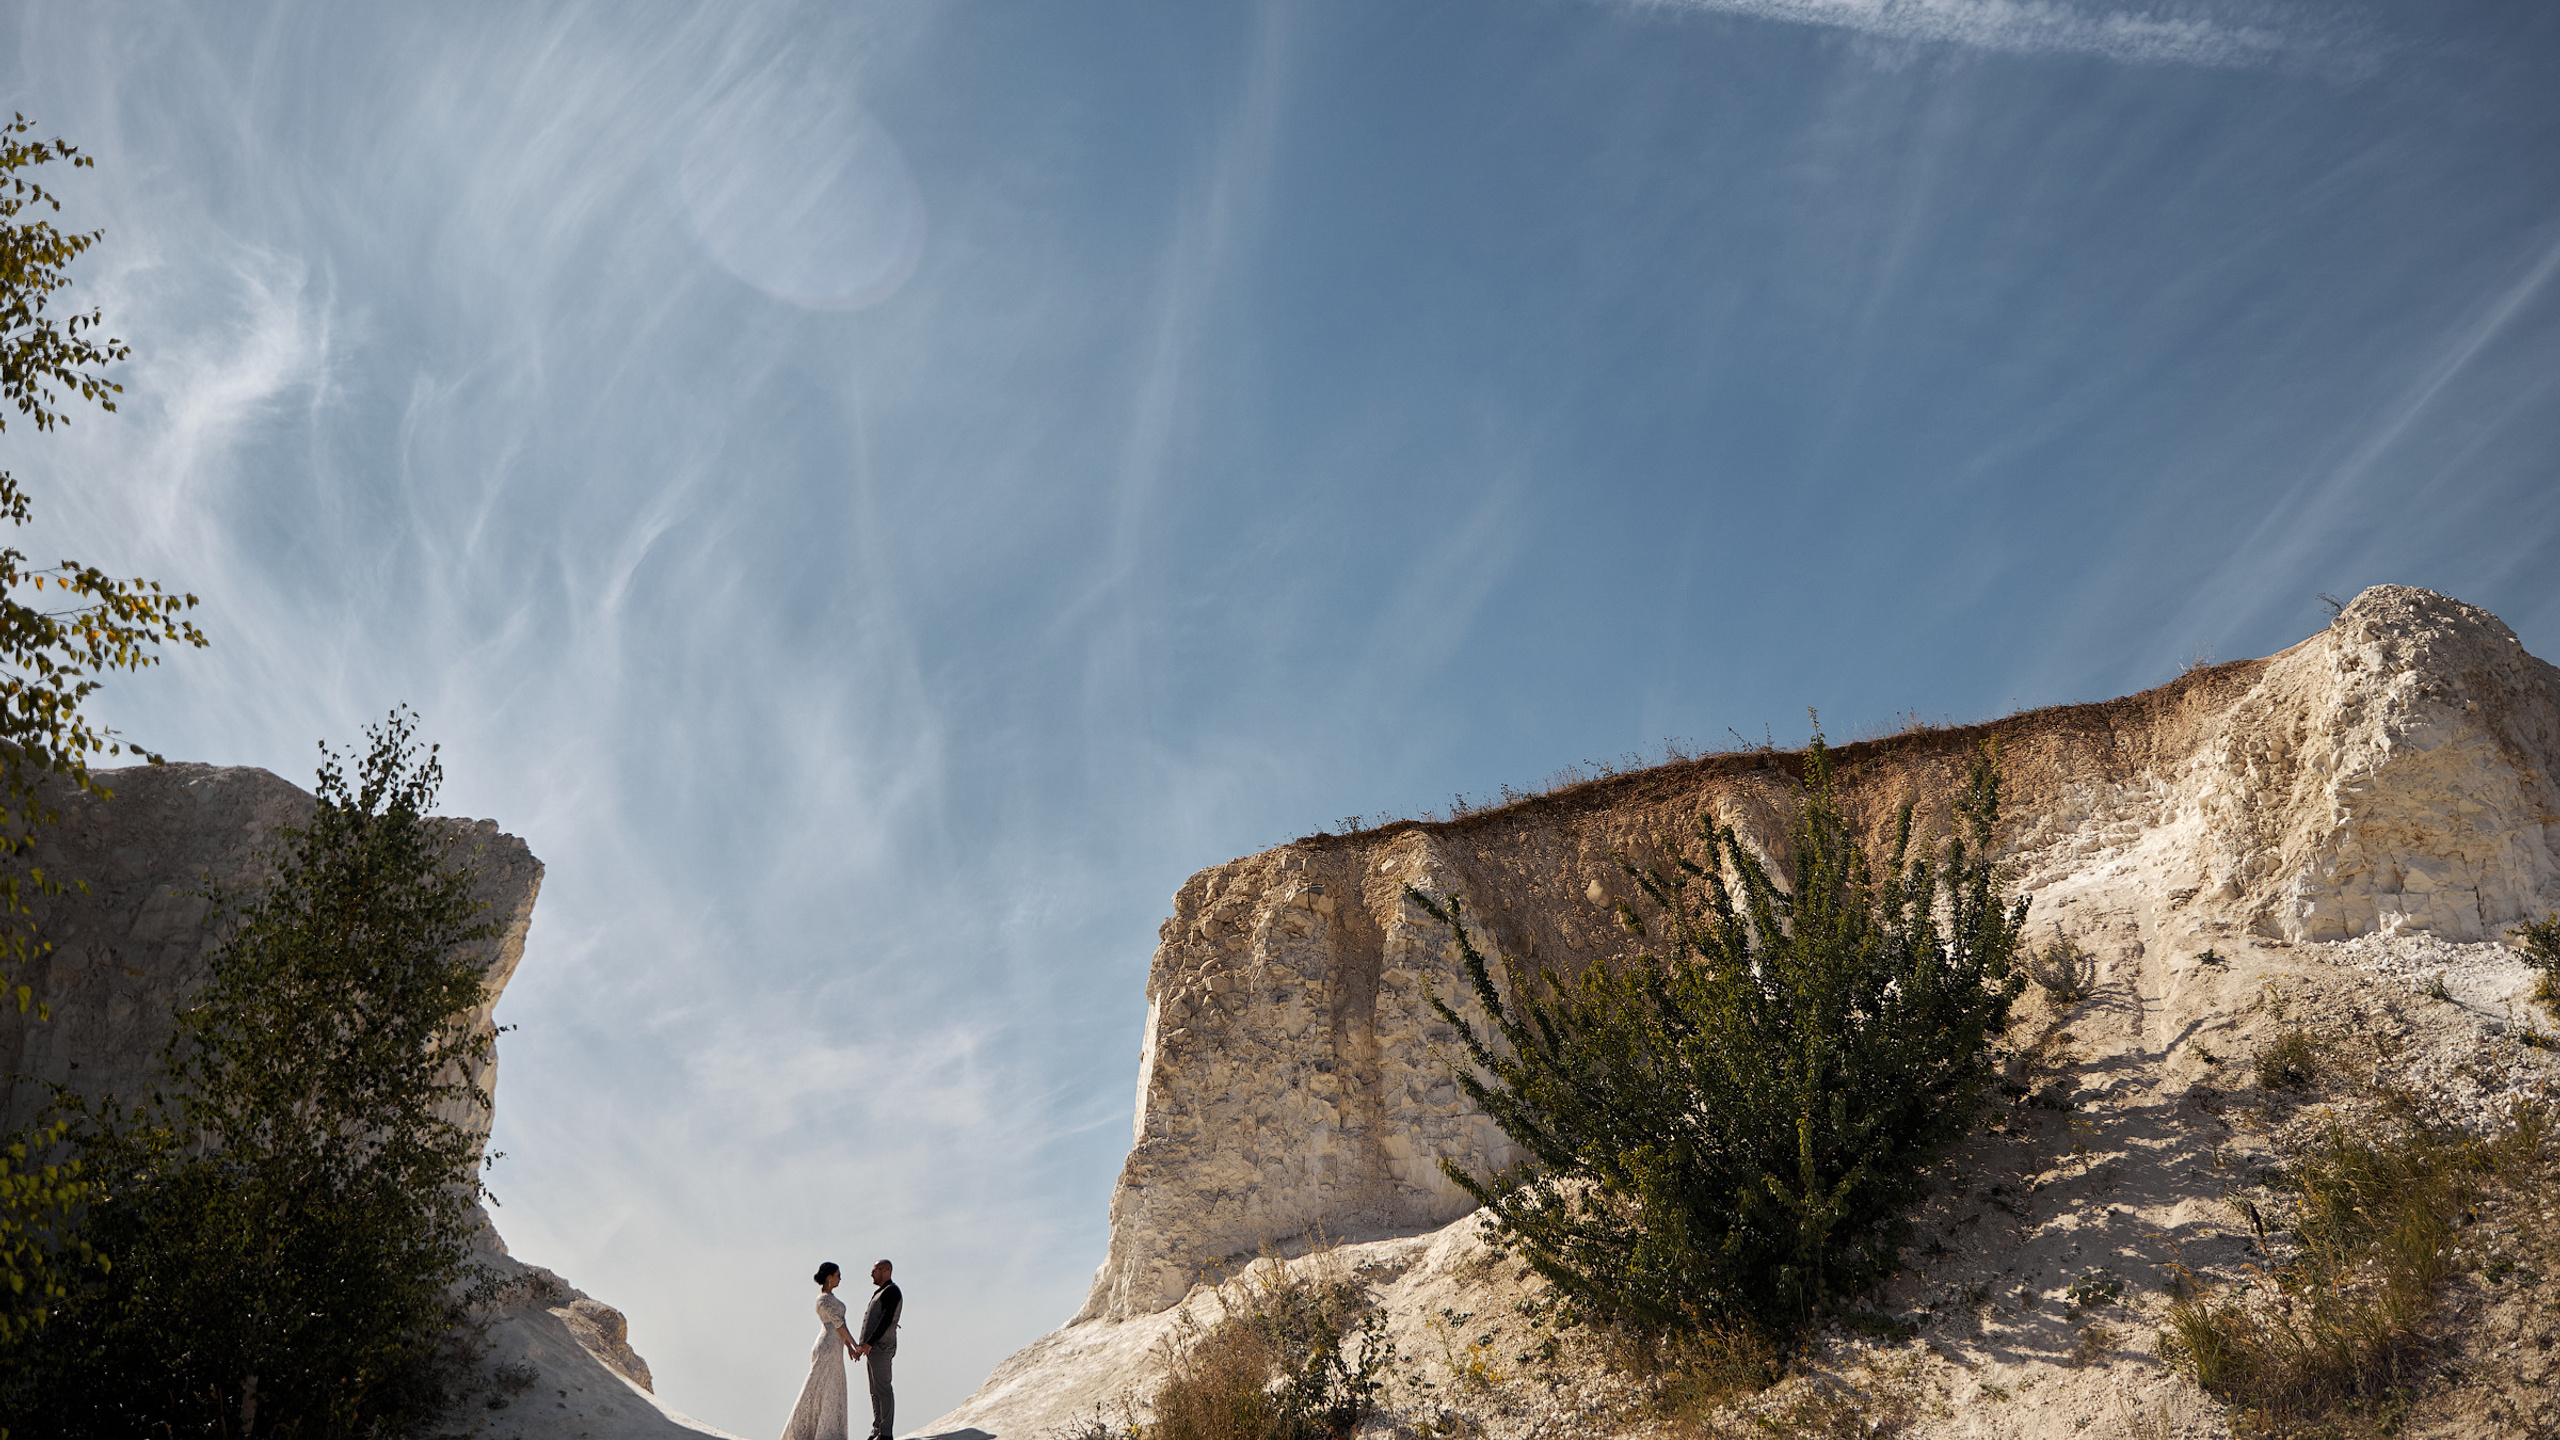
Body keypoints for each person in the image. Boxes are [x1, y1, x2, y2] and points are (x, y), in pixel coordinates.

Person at [781, 1262, 858, 1440]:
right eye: (838, 1275)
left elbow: (841, 1327)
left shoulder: (832, 1298)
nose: (840, 1278)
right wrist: (854, 1344)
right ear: (829, 1277)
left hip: (836, 1347)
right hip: (827, 1346)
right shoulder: (823, 1299)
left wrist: (848, 1347)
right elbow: (838, 1324)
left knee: (833, 1387)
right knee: (818, 1386)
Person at [849, 1258, 902, 1440]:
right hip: (873, 1349)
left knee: (883, 1388)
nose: (872, 1273)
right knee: (874, 1390)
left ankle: (885, 1433)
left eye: (876, 1270)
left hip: (881, 1347)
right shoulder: (880, 1292)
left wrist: (868, 1343)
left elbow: (885, 1320)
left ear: (886, 1270)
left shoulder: (892, 1291)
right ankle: (877, 1429)